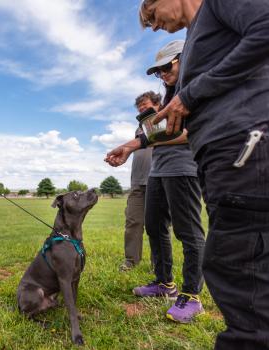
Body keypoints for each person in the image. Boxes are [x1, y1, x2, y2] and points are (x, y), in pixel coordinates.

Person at [138, 1, 269, 349]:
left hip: (244, 145)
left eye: (152, 16)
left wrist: (190, 95)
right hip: (223, 153)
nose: (154, 26)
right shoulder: (198, 33)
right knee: (235, 264)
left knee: (240, 268)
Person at [106, 39, 205, 324]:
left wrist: (135, 144)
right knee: (154, 227)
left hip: (183, 169)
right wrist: (129, 146)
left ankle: (191, 295)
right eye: (157, 72)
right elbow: (151, 137)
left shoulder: (194, 87)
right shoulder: (173, 92)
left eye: (165, 67)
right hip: (159, 172)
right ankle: (164, 283)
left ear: (183, 59)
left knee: (188, 232)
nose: (161, 74)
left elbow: (193, 131)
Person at [119, 91, 159, 272]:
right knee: (133, 222)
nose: (142, 109)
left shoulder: (163, 120)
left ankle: (157, 264)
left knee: (157, 225)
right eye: (139, 107)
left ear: (157, 104)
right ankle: (131, 261)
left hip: (157, 179)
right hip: (137, 181)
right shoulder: (140, 127)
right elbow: (138, 147)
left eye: (146, 105)